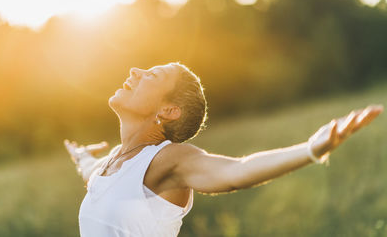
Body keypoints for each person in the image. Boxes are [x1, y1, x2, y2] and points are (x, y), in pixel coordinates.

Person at [64, 62, 383, 237]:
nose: (134, 71)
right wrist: (81, 156)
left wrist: (312, 149)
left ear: (169, 111)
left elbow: (237, 171)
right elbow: (92, 173)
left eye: (152, 75)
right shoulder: (112, 164)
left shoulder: (167, 159)